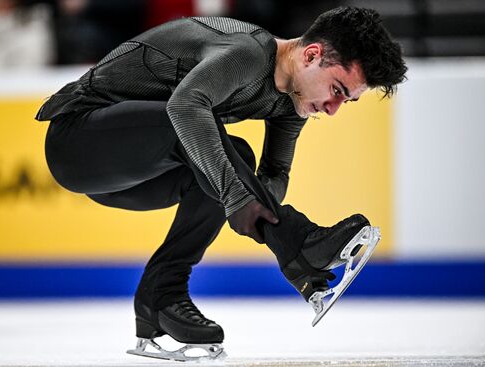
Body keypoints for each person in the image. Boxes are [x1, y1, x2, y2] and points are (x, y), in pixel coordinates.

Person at [35, 6, 407, 360]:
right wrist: (270, 224)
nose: (332, 108)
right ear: (311, 55)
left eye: (347, 102)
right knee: (205, 136)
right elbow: (184, 106)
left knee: (226, 160)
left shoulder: (293, 102)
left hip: (131, 176)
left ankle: (161, 296)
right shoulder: (245, 52)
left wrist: (260, 216)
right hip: (77, 144)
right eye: (338, 90)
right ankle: (300, 248)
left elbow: (272, 180)